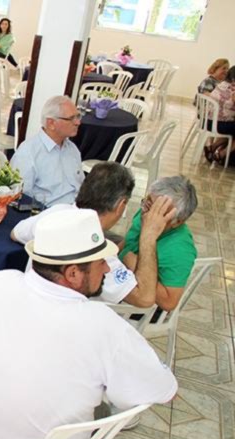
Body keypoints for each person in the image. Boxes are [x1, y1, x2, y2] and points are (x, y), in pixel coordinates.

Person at [0, 208, 177, 439]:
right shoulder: (105, 326)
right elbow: (162, 390)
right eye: (101, 262)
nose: (107, 269)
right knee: (99, 406)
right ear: (73, 273)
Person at [12, 162, 177, 308]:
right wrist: (148, 236)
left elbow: (16, 233)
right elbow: (145, 299)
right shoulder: (98, 254)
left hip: (29, 304)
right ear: (121, 205)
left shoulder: (57, 213)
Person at [120, 175, 198, 312]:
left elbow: (169, 302)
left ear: (177, 222)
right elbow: (127, 243)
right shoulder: (146, 210)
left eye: (158, 212)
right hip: (123, 273)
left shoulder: (180, 251)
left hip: (146, 308)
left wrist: (133, 264)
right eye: (148, 203)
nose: (148, 214)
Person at [10, 95, 83, 207]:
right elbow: (18, 198)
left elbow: (80, 186)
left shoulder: (72, 149)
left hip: (78, 210)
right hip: (49, 213)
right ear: (51, 123)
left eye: (78, 116)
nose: (77, 122)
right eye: (71, 118)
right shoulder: (28, 153)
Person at [207, 66, 235, 164]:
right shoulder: (233, 88)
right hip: (220, 124)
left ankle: (213, 147)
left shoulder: (221, 84)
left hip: (208, 121)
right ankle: (222, 154)